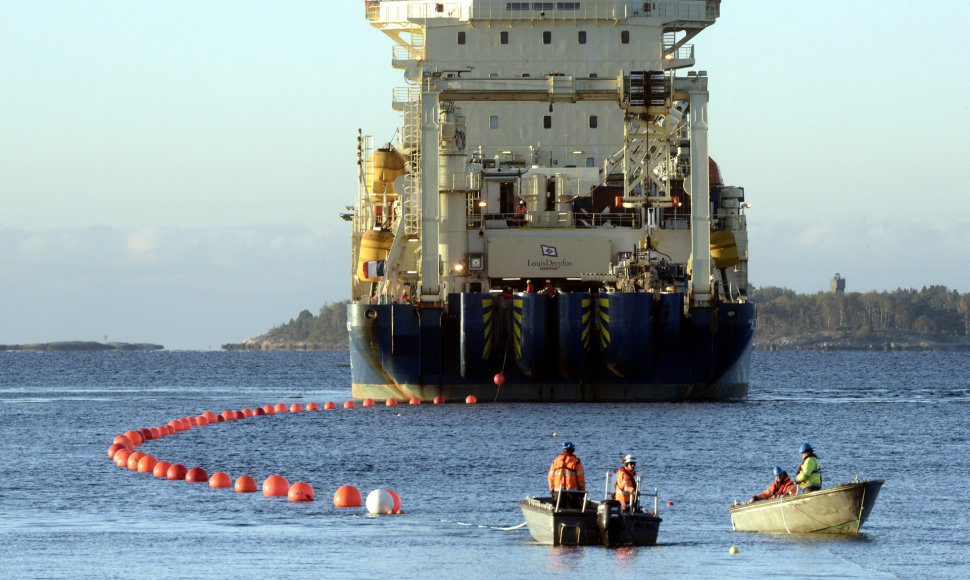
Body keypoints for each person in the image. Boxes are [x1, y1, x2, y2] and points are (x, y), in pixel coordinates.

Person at [548, 441, 585, 508]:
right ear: (572, 450)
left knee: (558, 509)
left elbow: (550, 477)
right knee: (575, 510)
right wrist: (582, 492)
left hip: (558, 491)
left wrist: (552, 490)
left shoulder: (556, 461)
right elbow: (581, 479)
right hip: (572, 492)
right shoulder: (576, 462)